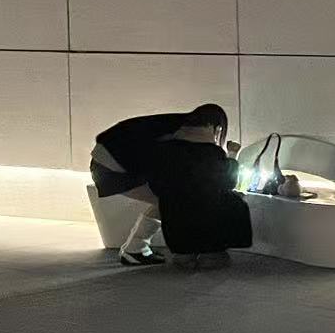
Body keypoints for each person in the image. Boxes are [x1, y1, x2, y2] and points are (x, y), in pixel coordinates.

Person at [89, 103, 238, 267]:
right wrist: (231, 155)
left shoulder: (176, 125)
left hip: (107, 164)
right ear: (214, 126)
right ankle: (139, 249)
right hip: (112, 167)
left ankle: (137, 248)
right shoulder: (192, 133)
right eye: (218, 131)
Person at [144, 107, 252, 270]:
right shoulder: (211, 152)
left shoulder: (167, 150)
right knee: (235, 203)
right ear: (214, 128)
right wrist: (232, 156)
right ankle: (212, 255)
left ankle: (184, 255)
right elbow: (227, 181)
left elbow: (156, 182)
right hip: (208, 212)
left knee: (180, 219)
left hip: (174, 212)